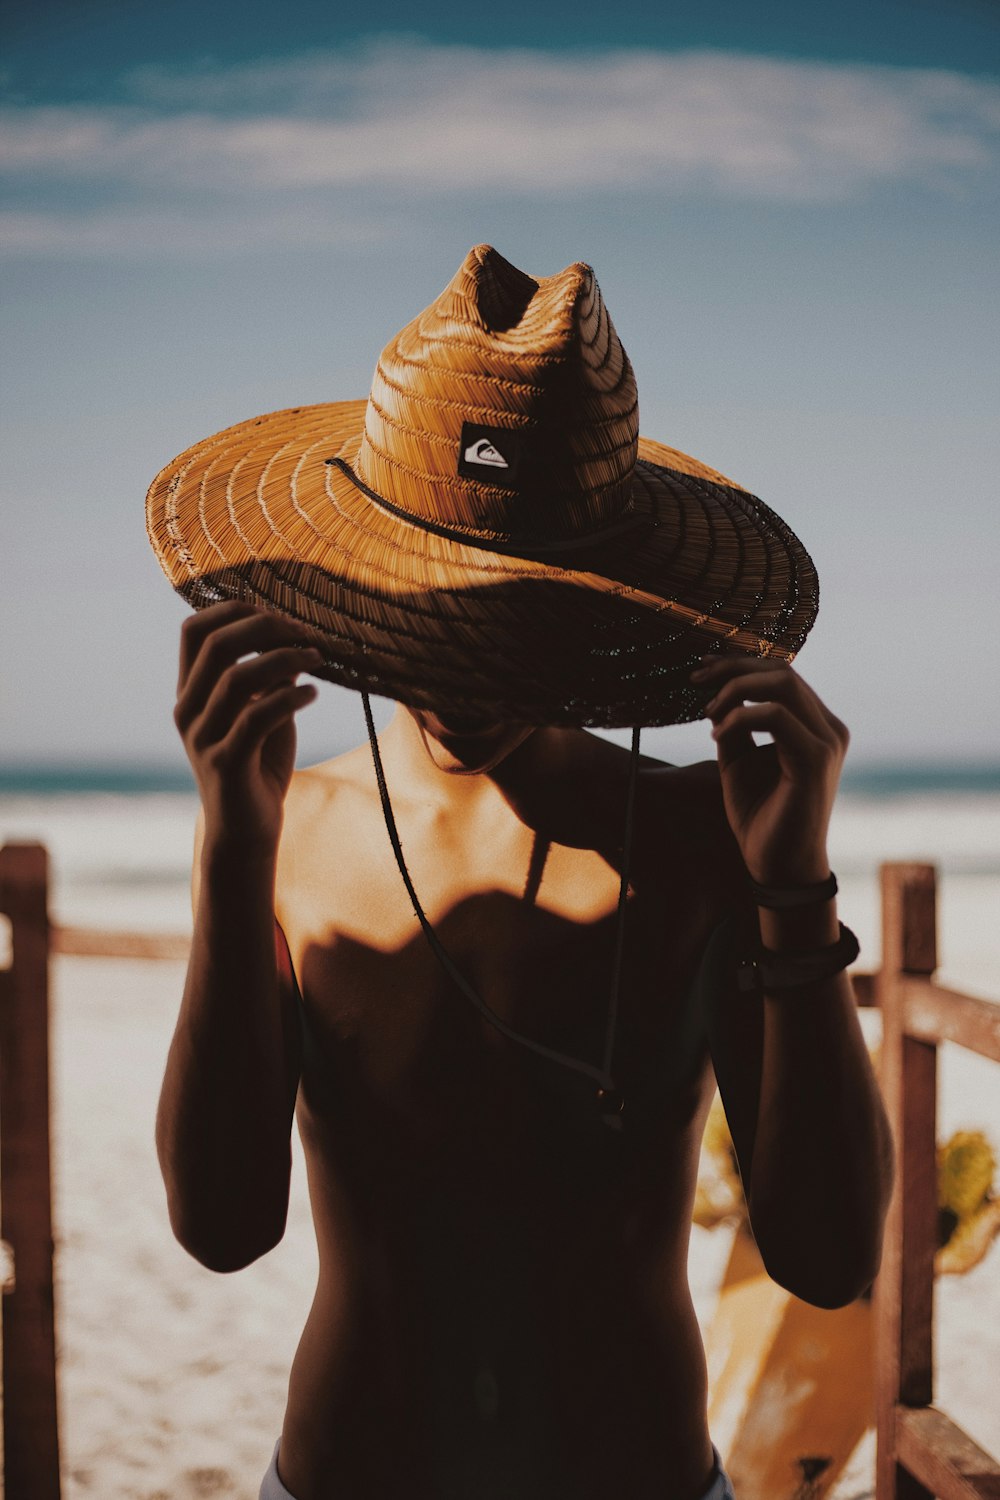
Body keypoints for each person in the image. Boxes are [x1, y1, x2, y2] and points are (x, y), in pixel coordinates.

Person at [149, 246, 894, 1500]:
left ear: (594, 601)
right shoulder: (293, 834)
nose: (462, 680)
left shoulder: (703, 838)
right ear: (368, 576)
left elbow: (827, 1259)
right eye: (436, 613)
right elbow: (222, 1230)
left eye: (513, 622)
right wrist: (230, 851)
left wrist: (796, 888)